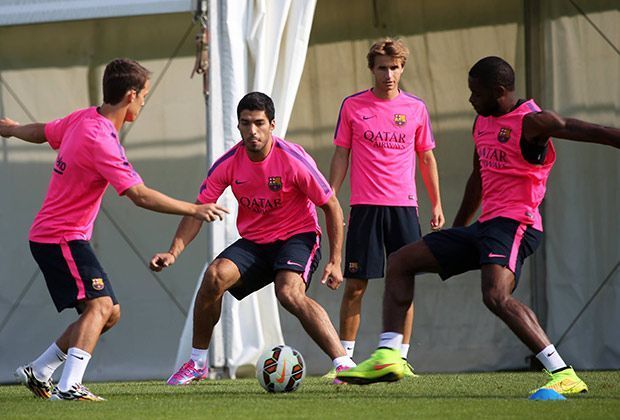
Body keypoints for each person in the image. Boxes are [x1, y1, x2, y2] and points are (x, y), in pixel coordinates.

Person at [337, 56, 620, 394]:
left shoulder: (532, 122)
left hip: (518, 224)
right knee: (401, 261)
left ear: (499, 91)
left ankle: (562, 373)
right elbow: (478, 179)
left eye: (476, 93)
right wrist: (457, 228)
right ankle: (388, 354)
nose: (470, 100)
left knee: (495, 296)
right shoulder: (482, 122)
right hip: (485, 226)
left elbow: (594, 131)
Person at [0, 58, 229, 401]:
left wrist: (13, 128)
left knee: (109, 313)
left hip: (59, 236)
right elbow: (138, 195)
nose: (144, 103)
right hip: (59, 237)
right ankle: (69, 387)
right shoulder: (101, 139)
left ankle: (41, 370)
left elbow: (44, 131)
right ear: (130, 95)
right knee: (100, 307)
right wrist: (194, 208)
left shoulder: (83, 118)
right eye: (144, 96)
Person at [150, 92, 356, 386]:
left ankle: (345, 365)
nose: (252, 131)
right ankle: (196, 364)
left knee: (289, 293)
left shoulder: (293, 160)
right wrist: (173, 252)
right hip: (256, 242)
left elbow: (331, 206)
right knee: (214, 276)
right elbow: (198, 210)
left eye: (259, 123)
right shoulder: (229, 163)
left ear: (273, 124)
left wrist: (336, 260)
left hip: (297, 236)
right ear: (238, 127)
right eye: (245, 124)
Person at [326, 38, 444, 377]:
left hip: (404, 208)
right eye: (382, 68)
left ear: (402, 68)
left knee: (403, 283)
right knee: (356, 284)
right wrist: (331, 193)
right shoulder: (352, 106)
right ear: (372, 69)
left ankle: (399, 358)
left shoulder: (416, 108)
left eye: (394, 67)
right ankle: (343, 360)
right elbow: (341, 154)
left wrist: (436, 202)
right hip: (364, 207)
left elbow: (426, 156)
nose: (389, 74)